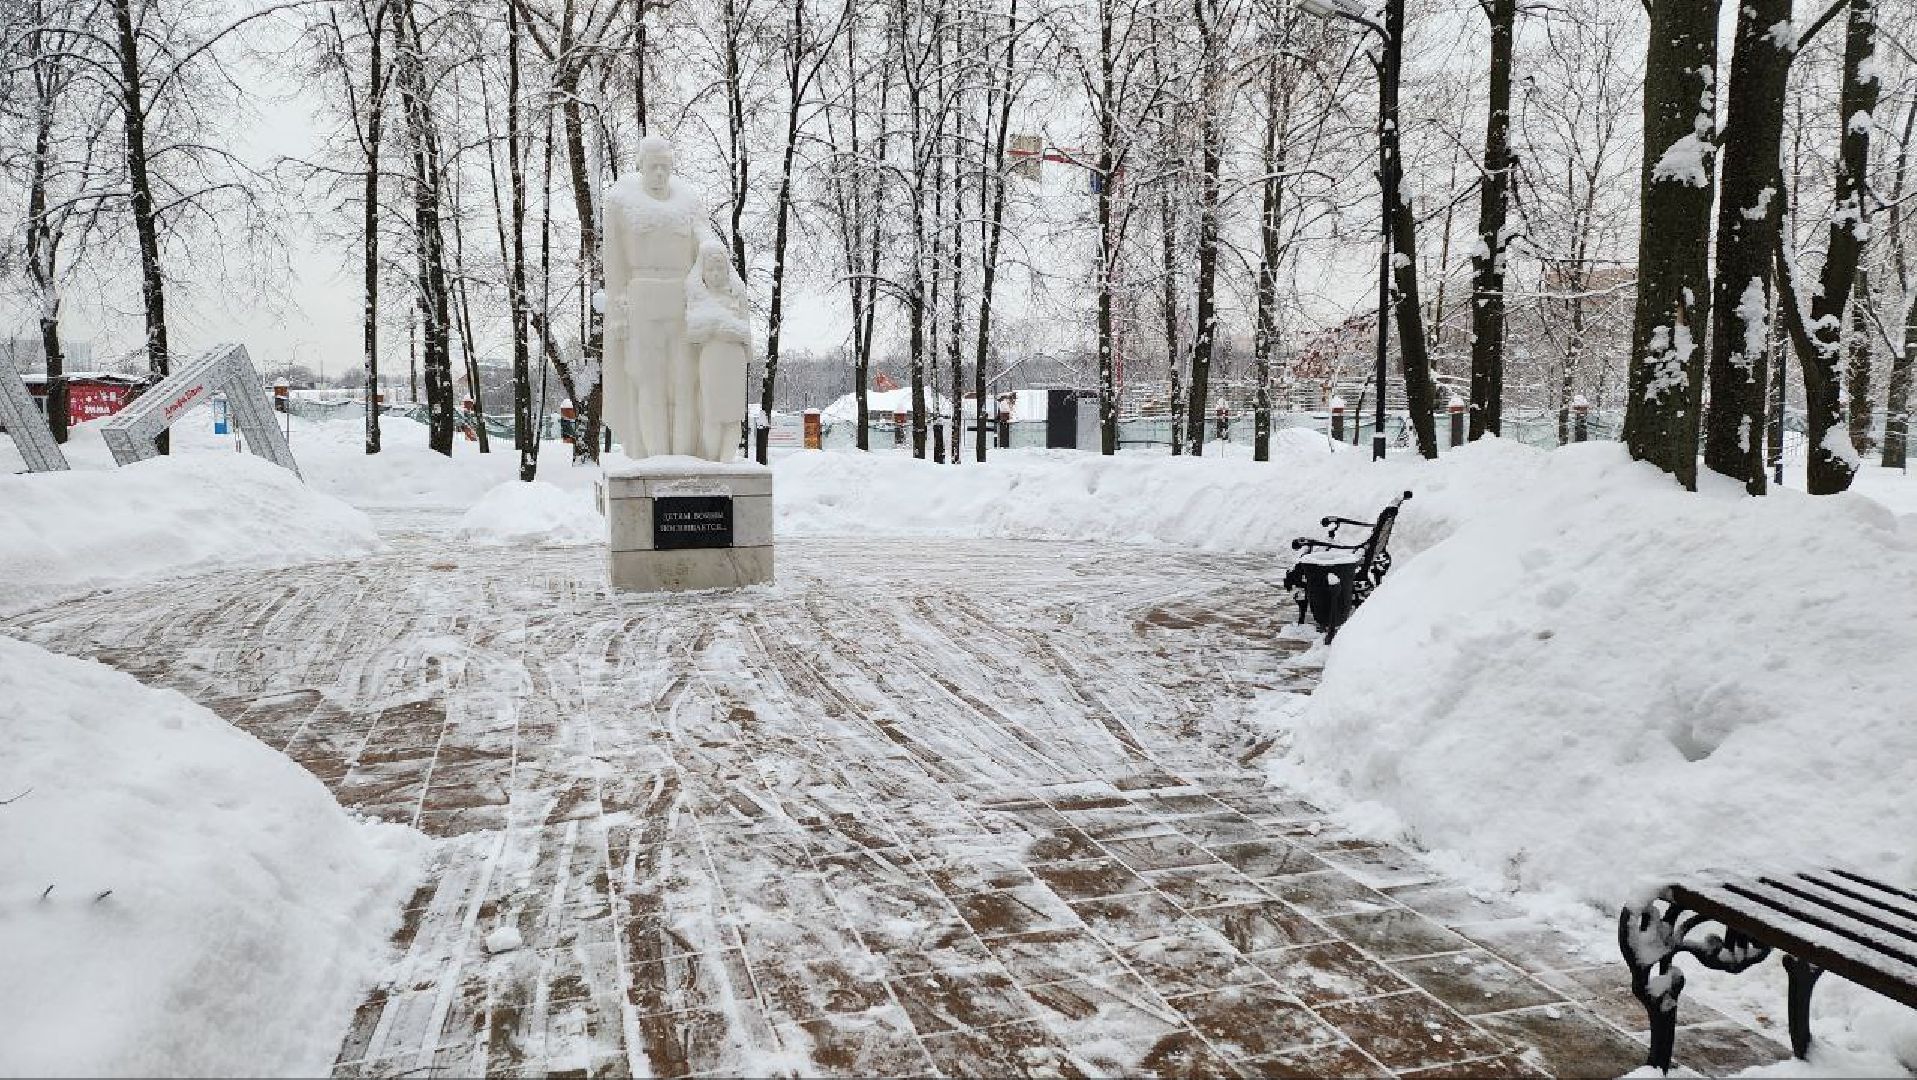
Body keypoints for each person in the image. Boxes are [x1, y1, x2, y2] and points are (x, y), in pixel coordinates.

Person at [602, 137, 704, 458]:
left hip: (681, 298)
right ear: (641, 166)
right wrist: (618, 310)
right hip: (641, 298)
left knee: (684, 381)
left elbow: (706, 248)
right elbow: (613, 263)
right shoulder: (620, 201)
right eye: (653, 167)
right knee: (648, 382)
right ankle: (654, 456)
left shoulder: (689, 202)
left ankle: (683, 456)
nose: (659, 173)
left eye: (665, 167)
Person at [684, 240, 750, 462]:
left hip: (734, 360)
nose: (715, 274)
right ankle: (712, 461)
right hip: (711, 359)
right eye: (710, 269)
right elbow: (692, 332)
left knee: (733, 416)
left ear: (727, 269)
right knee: (712, 414)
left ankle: (727, 460)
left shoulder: (736, 297)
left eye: (719, 268)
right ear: (703, 272)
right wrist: (716, 326)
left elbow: (745, 332)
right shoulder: (699, 299)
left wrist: (725, 328)